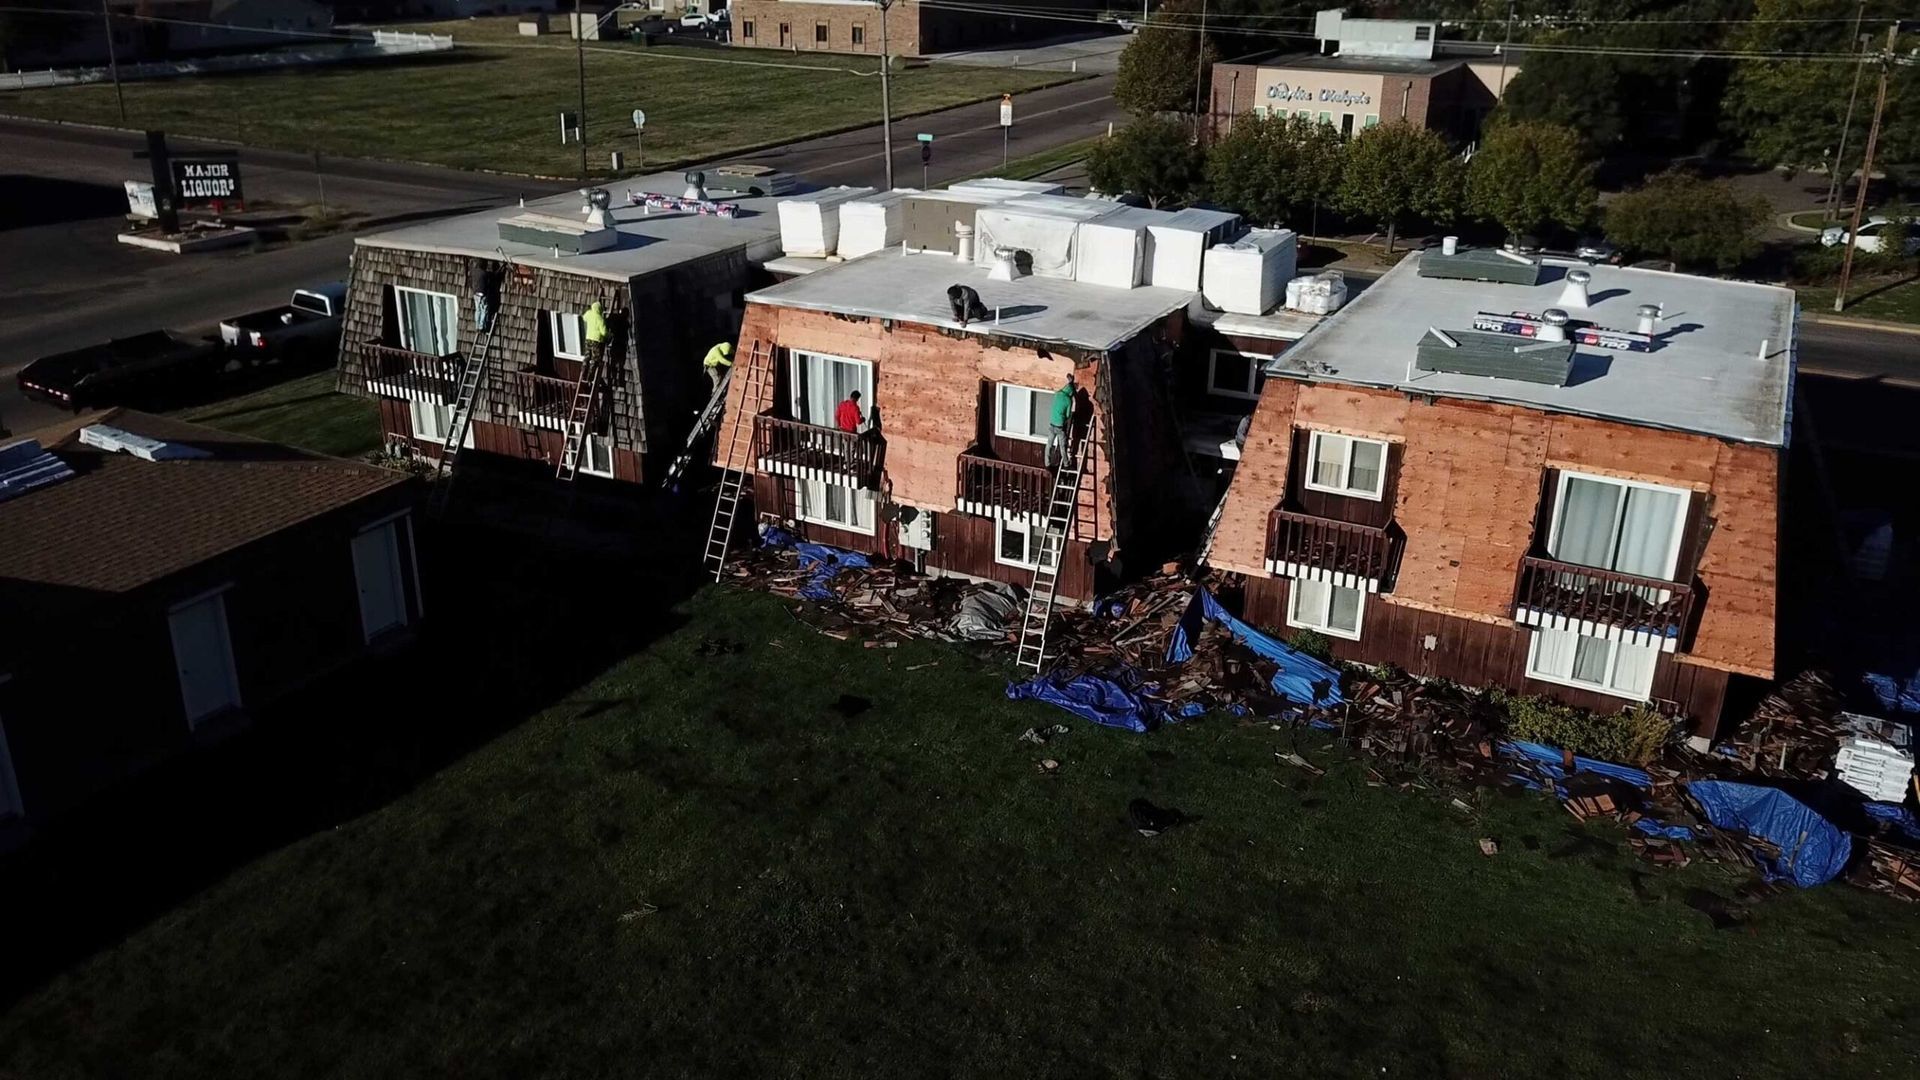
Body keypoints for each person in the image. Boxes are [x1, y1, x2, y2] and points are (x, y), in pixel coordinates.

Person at [1046, 374, 1075, 468]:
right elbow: (1067, 415)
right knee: (1063, 446)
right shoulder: (1068, 400)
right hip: (1059, 426)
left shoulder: (1057, 394)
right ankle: (1066, 464)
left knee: (1049, 445)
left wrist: (1070, 382)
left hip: (1051, 425)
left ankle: (1047, 463)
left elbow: (1064, 389)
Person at [582, 300, 610, 365]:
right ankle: (591, 373)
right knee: (595, 359)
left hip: (588, 339)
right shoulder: (600, 319)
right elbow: (604, 333)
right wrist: (609, 335)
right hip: (596, 341)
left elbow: (584, 318)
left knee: (587, 356)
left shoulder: (589, 313)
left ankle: (584, 369)